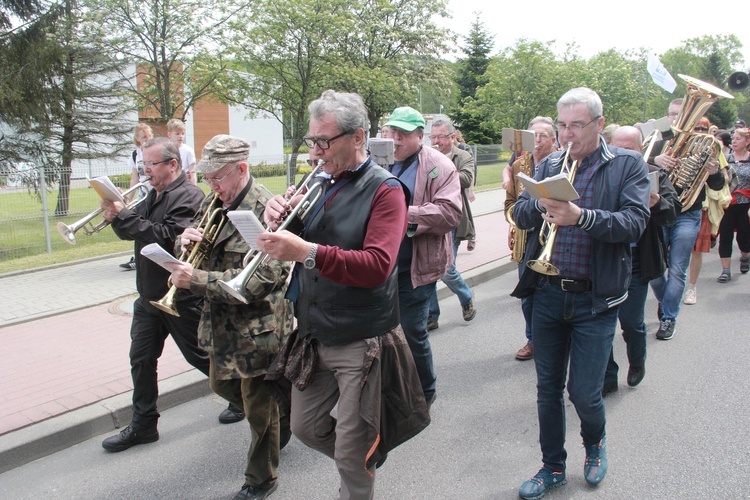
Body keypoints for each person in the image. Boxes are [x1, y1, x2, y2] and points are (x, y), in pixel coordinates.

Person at [257, 90, 428, 500]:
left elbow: (377, 266)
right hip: (315, 330)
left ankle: (356, 475)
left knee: (352, 451)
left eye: (323, 142)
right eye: (312, 141)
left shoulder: (386, 190)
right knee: (305, 427)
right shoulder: (319, 179)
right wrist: (279, 219)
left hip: (361, 337)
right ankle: (361, 460)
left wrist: (307, 252)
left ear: (358, 137)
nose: (315, 152)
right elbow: (303, 239)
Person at [511, 87, 650, 498]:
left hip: (596, 298)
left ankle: (595, 445)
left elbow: (634, 223)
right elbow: (520, 213)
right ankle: (552, 466)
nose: (567, 135)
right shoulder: (551, 162)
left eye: (577, 126)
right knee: (547, 388)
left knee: (585, 393)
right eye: (562, 125)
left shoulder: (627, 165)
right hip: (549, 291)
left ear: (598, 124)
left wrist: (582, 217)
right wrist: (539, 202)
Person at [169, 135, 293, 500]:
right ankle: (281, 416)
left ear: (241, 169)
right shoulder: (215, 201)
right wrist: (184, 242)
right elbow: (198, 246)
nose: (212, 185)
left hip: (259, 327)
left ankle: (261, 479)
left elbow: (255, 283)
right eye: (207, 178)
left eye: (218, 177)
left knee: (257, 408)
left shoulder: (268, 211)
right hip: (222, 325)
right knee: (220, 385)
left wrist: (197, 279)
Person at [99, 137, 232, 453]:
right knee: (141, 360)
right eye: (143, 164)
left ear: (173, 164)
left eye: (152, 164)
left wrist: (125, 216)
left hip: (180, 295)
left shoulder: (189, 196)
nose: (146, 170)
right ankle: (143, 426)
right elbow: (136, 231)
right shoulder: (151, 195)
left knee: (201, 356)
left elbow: (166, 237)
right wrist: (115, 217)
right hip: (148, 296)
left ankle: (240, 397)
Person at [383, 106, 462, 406]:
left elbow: (450, 213)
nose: (396, 140)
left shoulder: (440, 165)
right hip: (382, 265)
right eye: (392, 132)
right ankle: (396, 384)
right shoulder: (380, 160)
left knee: (412, 331)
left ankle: (425, 390)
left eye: (403, 134)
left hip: (418, 266)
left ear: (420, 136)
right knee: (384, 331)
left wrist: (403, 215)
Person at [602, 126, 680, 395]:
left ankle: (636, 363)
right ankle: (607, 376)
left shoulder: (652, 173)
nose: (623, 153)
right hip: (604, 259)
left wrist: (656, 203)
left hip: (635, 260)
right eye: (618, 147)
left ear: (641, 148)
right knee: (600, 324)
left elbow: (672, 211)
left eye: (630, 148)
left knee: (632, 322)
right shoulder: (600, 170)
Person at [649, 103, 725, 339]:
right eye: (673, 114)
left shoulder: (706, 145)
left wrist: (713, 171)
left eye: (681, 115)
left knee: (678, 268)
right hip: (660, 213)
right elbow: (636, 167)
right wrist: (654, 160)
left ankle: (669, 317)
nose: (677, 119)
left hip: (687, 213)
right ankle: (667, 300)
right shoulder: (658, 142)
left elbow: (719, 185)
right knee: (654, 269)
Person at [504, 116, 557, 361]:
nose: (536, 141)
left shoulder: (560, 164)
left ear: (554, 140)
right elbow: (510, 204)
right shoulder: (518, 166)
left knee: (552, 296)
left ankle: (552, 339)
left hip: (554, 237)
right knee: (527, 295)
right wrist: (517, 218)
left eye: (542, 136)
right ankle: (532, 339)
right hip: (526, 238)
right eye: (532, 136)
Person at [426, 118, 477, 331]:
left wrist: (442, 168)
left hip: (453, 218)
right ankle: (431, 315)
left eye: (440, 137)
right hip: (429, 217)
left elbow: (466, 178)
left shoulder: (463, 156)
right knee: (426, 269)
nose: (436, 141)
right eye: (433, 137)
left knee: (447, 268)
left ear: (452, 137)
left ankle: (466, 297)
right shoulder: (426, 155)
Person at [683, 117, 730, 302]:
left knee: (696, 251)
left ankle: (691, 288)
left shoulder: (714, 149)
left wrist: (713, 172)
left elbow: (724, 179)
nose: (700, 132)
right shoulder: (680, 146)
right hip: (679, 205)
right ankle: (674, 284)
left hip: (701, 206)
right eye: (697, 128)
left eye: (704, 128)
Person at [120, 123, 155, 271]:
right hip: (142, 193)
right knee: (138, 224)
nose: (147, 140)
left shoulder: (156, 151)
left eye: (149, 136)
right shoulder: (135, 154)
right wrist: (127, 197)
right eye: (143, 137)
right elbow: (135, 177)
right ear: (137, 139)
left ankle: (148, 256)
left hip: (155, 192)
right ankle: (138, 256)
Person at [717, 127, 750, 281]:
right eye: (733, 138)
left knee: (744, 238)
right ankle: (726, 270)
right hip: (726, 204)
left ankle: (745, 256)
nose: (734, 141)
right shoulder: (726, 158)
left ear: (747, 141)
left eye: (738, 139)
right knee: (725, 235)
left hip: (744, 206)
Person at [167, 118, 197, 185]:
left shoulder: (188, 150)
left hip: (184, 184)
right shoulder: (166, 150)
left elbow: (193, 172)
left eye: (183, 134)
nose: (181, 136)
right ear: (169, 134)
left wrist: (194, 188)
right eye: (177, 134)